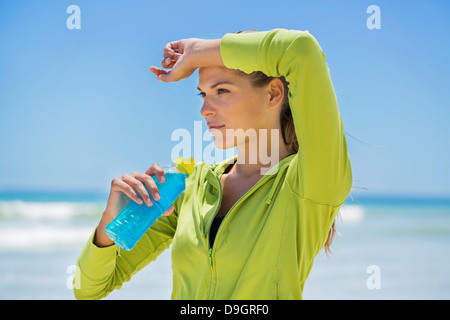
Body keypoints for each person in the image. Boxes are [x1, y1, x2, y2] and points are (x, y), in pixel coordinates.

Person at [73, 28, 353, 300]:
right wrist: (110, 226)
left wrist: (197, 52)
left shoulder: (310, 182)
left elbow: (300, 50)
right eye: (203, 94)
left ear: (273, 94)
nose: (205, 109)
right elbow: (89, 290)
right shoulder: (189, 188)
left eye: (222, 91)